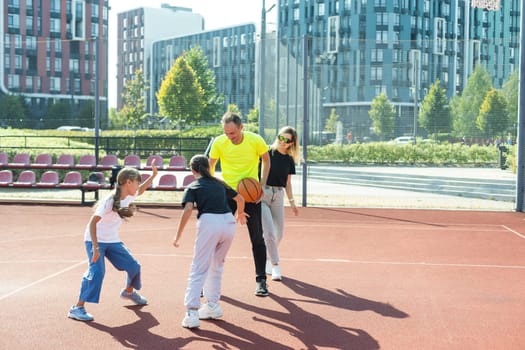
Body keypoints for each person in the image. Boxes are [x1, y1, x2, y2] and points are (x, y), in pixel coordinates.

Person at [67, 163, 158, 321]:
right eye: (136, 182)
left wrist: (153, 175)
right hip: (94, 240)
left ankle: (128, 291)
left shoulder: (129, 195)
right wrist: (95, 248)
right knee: (97, 273)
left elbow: (141, 190)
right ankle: (77, 308)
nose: (138, 185)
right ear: (128, 182)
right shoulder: (109, 201)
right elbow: (93, 223)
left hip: (112, 241)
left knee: (134, 267)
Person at [173, 155, 247, 329]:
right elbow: (240, 199)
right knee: (216, 266)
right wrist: (241, 214)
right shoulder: (219, 183)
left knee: (199, 267)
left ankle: (192, 312)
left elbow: (189, 209)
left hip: (210, 223)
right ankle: (212, 306)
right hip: (228, 223)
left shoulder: (193, 186)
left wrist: (178, 235)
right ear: (209, 167)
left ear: (192, 170)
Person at [209, 111, 271, 296]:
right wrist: (213, 185)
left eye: (233, 133)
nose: (230, 136)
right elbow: (210, 166)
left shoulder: (255, 140)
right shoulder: (219, 142)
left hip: (250, 195)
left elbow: (266, 161)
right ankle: (209, 281)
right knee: (216, 237)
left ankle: (261, 280)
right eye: (227, 133)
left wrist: (262, 186)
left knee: (257, 238)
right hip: (227, 193)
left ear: (241, 127)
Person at [262, 126, 300, 281]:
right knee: (269, 232)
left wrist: (292, 202)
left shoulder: (289, 159)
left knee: (280, 232)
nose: (282, 141)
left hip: (278, 195)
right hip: (263, 194)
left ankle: (266, 257)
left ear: (291, 143)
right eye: (280, 137)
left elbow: (288, 183)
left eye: (286, 140)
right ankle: (275, 265)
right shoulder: (266, 152)